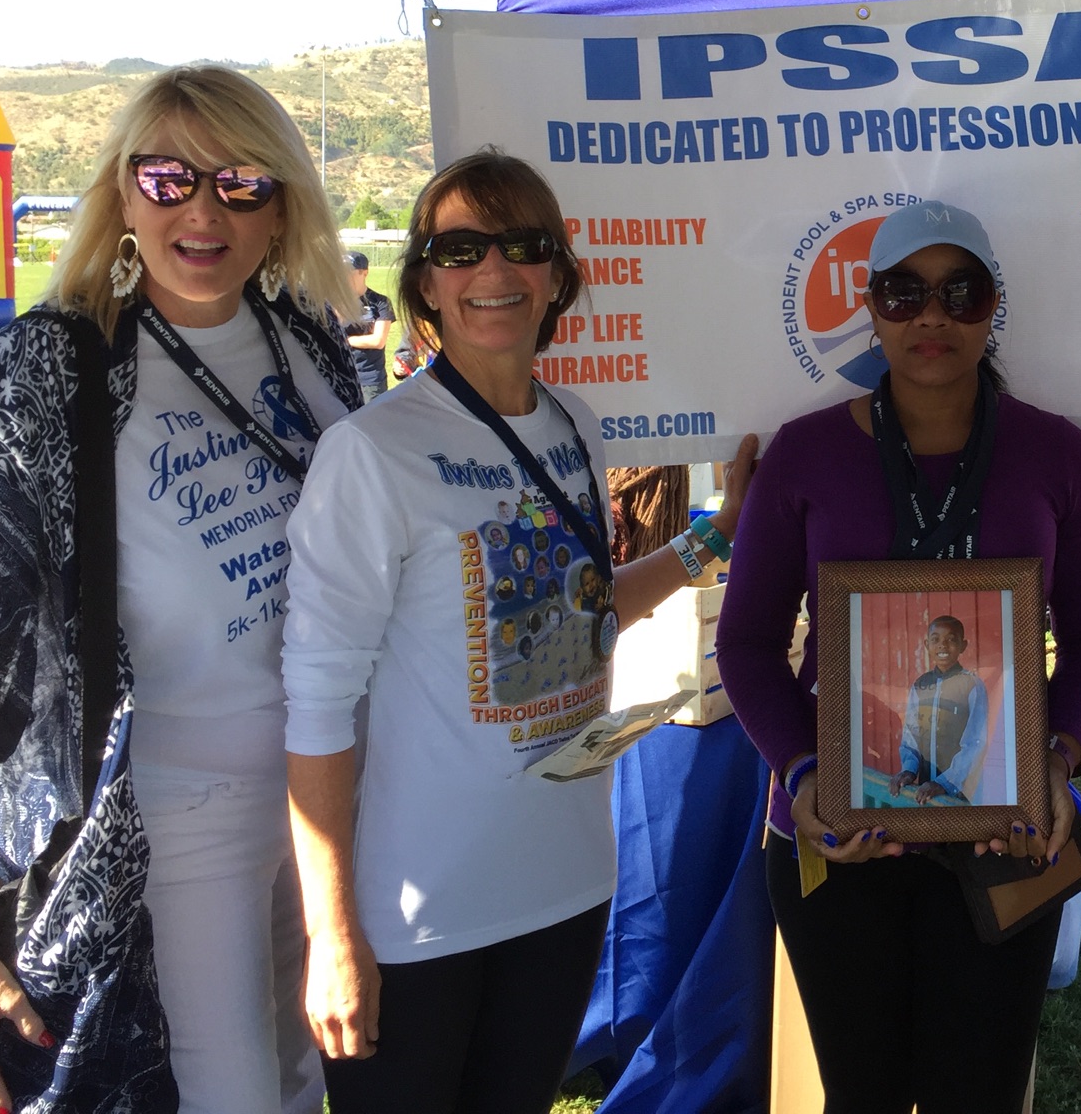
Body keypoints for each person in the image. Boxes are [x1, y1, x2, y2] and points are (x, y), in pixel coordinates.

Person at [0, 65, 359, 1114]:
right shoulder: (48, 372)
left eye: (241, 184)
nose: (202, 211)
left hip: (329, 799)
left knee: (299, 1086)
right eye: (168, 179)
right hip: (176, 815)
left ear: (283, 202)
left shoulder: (311, 349)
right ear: (121, 192)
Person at [281, 148, 756, 1114]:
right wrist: (332, 933)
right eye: (460, 249)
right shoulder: (372, 454)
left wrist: (713, 538)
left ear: (556, 277)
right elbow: (317, 705)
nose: (493, 273)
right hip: (421, 916)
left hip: (564, 884)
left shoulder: (575, 425)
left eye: (522, 246)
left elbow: (584, 612)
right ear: (424, 280)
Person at [715, 199, 1081, 1114]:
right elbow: (744, 644)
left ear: (993, 306)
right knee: (859, 1095)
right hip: (840, 838)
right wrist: (805, 772)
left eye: (960, 291)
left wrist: (1056, 763)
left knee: (977, 1097)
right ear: (871, 309)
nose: (932, 316)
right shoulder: (804, 455)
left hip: (1005, 833)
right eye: (903, 293)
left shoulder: (1056, 454)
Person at [896, 615, 989, 803]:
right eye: (935, 640)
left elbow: (975, 744)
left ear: (963, 646)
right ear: (926, 645)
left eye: (951, 640)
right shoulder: (920, 685)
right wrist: (908, 770)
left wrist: (945, 783)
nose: (942, 645)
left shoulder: (972, 685)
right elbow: (911, 736)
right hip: (924, 789)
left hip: (960, 793)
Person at [343, 250, 397, 401]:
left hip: (370, 380)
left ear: (364, 273)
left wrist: (345, 340)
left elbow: (378, 341)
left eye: (349, 272)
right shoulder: (333, 302)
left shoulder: (380, 302)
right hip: (342, 376)